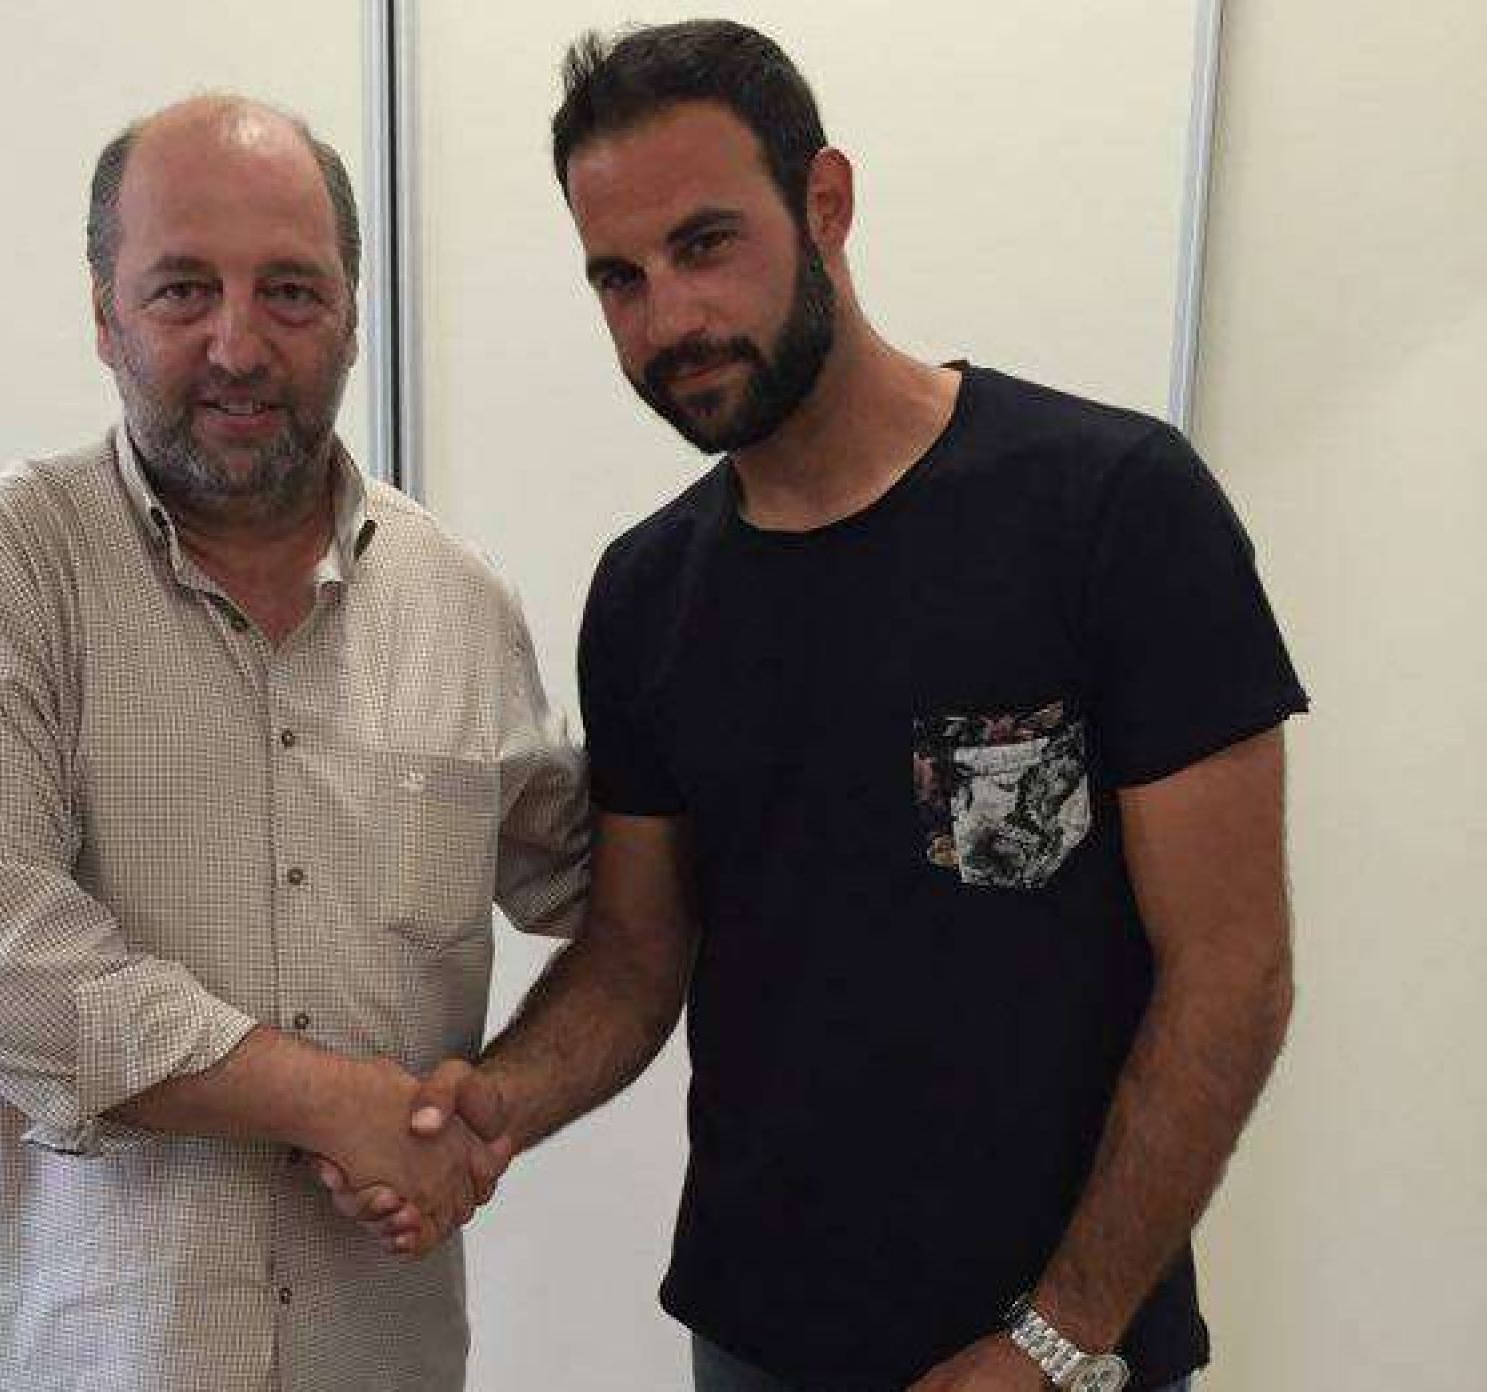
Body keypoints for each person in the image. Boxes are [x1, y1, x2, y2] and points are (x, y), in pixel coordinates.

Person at [329, 21, 1305, 1392]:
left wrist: (1060, 1337)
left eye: (706, 244)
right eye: (619, 277)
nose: (669, 319)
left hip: (1064, 1348)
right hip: (757, 1339)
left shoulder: (1114, 510)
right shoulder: (648, 593)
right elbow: (633, 959)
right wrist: (494, 1103)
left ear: (826, 203)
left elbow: (1232, 970)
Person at [0, 93, 587, 1392]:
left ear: (353, 315)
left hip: (375, 1362)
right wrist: (335, 1102)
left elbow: (607, 891)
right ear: (105, 315)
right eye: (183, 291)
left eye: (291, 293)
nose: (239, 346)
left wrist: (490, 1112)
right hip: (73, 1363)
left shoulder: (462, 607)